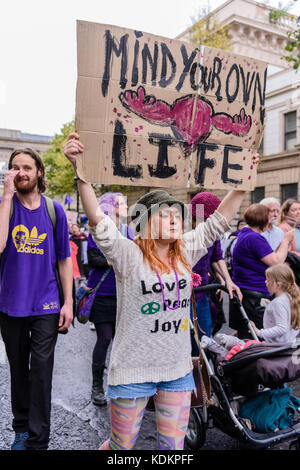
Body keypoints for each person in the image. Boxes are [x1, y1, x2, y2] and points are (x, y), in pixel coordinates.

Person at [64, 132, 259, 451]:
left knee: (173, 447)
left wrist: (242, 181)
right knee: (120, 447)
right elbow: (99, 220)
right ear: (145, 222)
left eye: (176, 216)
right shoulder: (126, 254)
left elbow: (218, 222)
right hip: (131, 373)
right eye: (164, 215)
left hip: (177, 371)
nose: (174, 221)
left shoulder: (186, 249)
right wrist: (81, 173)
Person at [0, 148, 73, 450]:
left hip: (46, 303)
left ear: (39, 172)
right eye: (15, 167)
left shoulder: (55, 211)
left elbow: (64, 260)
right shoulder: (5, 207)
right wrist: (5, 197)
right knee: (18, 370)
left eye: (27, 167)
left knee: (41, 372)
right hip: (9, 304)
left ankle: (38, 439)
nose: (21, 173)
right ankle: (21, 428)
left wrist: (68, 302)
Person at [87, 192, 133, 406]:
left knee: (123, 344)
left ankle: (121, 385)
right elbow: (93, 259)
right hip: (103, 295)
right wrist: (115, 259)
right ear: (111, 207)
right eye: (122, 203)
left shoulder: (128, 231)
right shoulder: (97, 229)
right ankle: (97, 386)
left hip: (126, 296)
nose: (125, 206)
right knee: (105, 338)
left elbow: (136, 258)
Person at [229, 203, 294, 339]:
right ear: (264, 223)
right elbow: (276, 262)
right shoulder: (255, 238)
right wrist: (285, 241)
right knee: (257, 338)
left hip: (246, 293)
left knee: (247, 336)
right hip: (254, 294)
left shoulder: (245, 233)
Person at [189, 192, 242, 350]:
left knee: (205, 336)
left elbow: (217, 258)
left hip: (203, 293)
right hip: (185, 294)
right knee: (190, 338)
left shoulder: (213, 235)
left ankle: (204, 368)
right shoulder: (186, 235)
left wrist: (227, 280)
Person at [250, 264, 300, 344]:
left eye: (268, 280)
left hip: (277, 346)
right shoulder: (289, 297)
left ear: (278, 285)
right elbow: (286, 313)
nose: (265, 282)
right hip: (290, 342)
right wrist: (270, 305)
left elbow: (281, 328)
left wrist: (259, 332)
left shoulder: (278, 303)